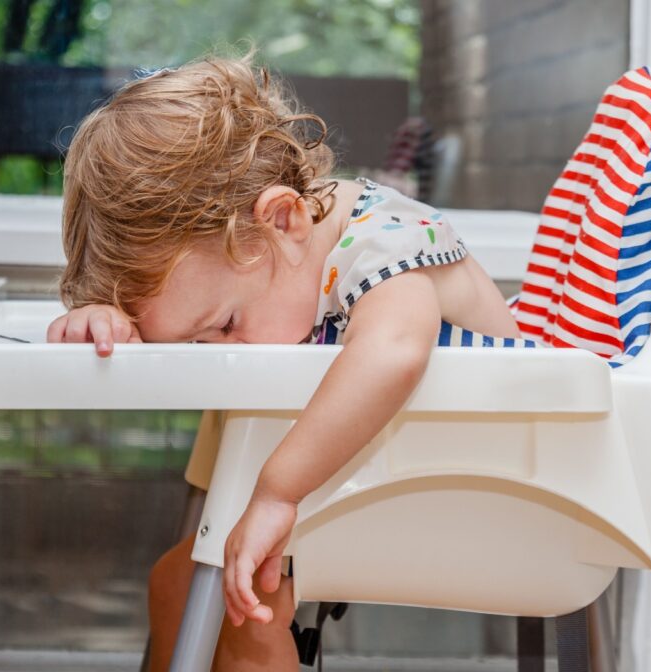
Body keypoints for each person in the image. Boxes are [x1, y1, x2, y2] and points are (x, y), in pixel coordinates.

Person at [47, 52, 524, 671]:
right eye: (195, 341)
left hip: (479, 492)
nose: (219, 353)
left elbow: (396, 351)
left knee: (242, 597)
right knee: (176, 581)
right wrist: (112, 322)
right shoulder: (272, 260)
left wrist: (277, 492)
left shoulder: (386, 239)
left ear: (283, 219)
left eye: (223, 325)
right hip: (379, 484)